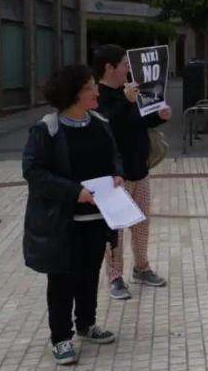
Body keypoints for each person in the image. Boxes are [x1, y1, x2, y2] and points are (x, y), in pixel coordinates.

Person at [22, 65, 122, 365]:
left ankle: (86, 324)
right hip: (62, 222)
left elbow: (114, 157)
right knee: (62, 280)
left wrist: (117, 175)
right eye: (91, 86)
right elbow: (34, 172)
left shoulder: (101, 123)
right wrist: (72, 192)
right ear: (76, 94)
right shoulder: (47, 130)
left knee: (89, 274)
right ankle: (61, 337)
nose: (97, 91)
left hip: (97, 218)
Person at [92, 44, 171, 300]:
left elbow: (140, 122)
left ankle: (142, 268)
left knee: (141, 223)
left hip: (140, 169)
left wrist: (159, 117)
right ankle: (115, 277)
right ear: (109, 68)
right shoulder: (98, 95)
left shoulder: (130, 93)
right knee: (114, 229)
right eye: (124, 64)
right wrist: (125, 102)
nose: (129, 69)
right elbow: (106, 125)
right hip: (115, 176)